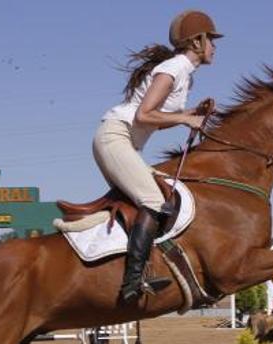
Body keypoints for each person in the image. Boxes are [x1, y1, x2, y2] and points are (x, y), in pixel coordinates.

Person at [95, 9, 223, 303]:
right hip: (116, 137)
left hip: (122, 140)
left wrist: (190, 113)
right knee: (154, 200)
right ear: (196, 42)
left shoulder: (184, 76)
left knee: (147, 200)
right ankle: (133, 282)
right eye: (211, 40)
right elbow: (144, 114)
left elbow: (155, 119)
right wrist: (185, 120)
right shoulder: (175, 68)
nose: (214, 47)